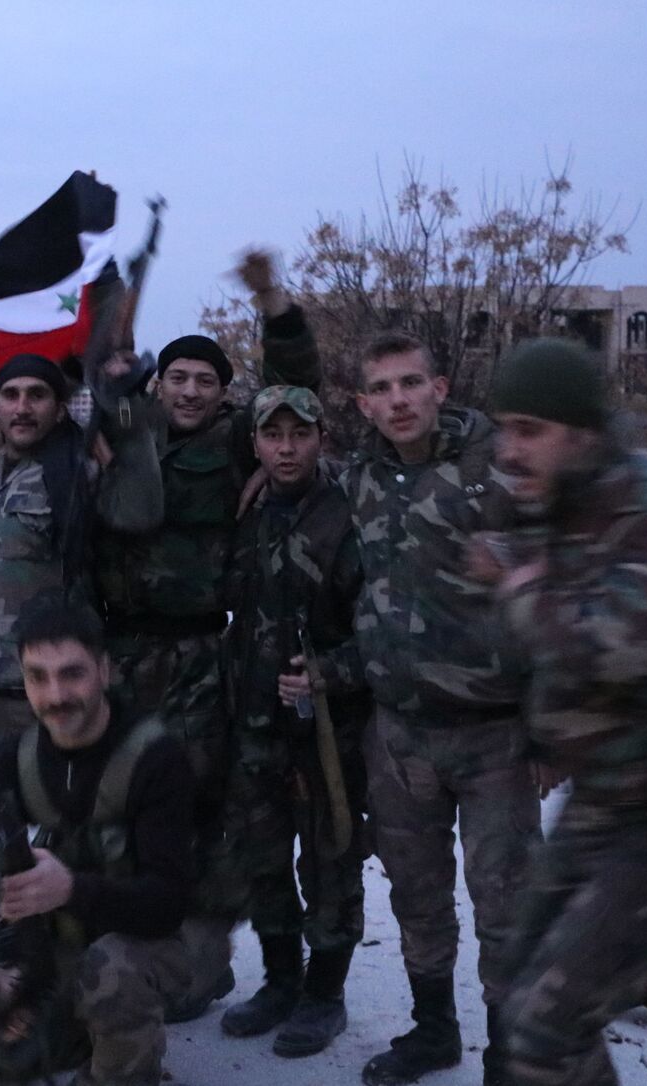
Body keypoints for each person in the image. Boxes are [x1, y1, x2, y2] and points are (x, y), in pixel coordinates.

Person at [87, 251, 323, 1020]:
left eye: (205, 381)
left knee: (195, 803)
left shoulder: (233, 441)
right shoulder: (127, 432)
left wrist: (274, 305)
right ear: (159, 384)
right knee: (117, 803)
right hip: (117, 653)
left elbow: (296, 385)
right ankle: (130, 947)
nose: (189, 391)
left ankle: (204, 958)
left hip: (194, 653)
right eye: (178, 378)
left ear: (224, 393)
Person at [478, 339, 647, 1085]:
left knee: (548, 1026)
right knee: (517, 983)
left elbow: (616, 649)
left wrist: (518, 584)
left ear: (582, 432)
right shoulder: (561, 502)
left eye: (529, 430)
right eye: (504, 428)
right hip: (603, 797)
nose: (509, 450)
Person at [342, 332, 535, 1086]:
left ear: (440, 388)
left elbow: (556, 593)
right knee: (417, 896)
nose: (398, 400)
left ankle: (512, 1055)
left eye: (410, 383)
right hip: (399, 736)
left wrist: (555, 727)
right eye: (381, 388)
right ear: (364, 404)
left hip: (494, 736)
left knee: (507, 903)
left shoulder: (500, 470)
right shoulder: (357, 478)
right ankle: (433, 1031)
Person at [0, 602, 206, 1086]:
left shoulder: (155, 758)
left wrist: (69, 889)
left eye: (72, 674)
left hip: (151, 946)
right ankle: (78, 1030)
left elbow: (170, 903)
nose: (56, 695)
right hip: (55, 957)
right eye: (38, 677)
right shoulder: (12, 760)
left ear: (104, 671)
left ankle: (124, 1062)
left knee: (112, 975)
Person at [212, 385, 371, 1057]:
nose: (286, 448)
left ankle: (325, 994)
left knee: (330, 859)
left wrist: (329, 671)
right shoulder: (244, 507)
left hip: (326, 730)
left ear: (320, 439)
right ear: (254, 443)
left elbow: (386, 630)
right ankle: (282, 980)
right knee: (262, 855)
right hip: (252, 719)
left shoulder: (350, 513)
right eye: (272, 435)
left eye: (299, 434)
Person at [0, 353, 162, 813]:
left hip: (57, 695)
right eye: (11, 395)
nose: (22, 407)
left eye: (37, 395)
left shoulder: (75, 468)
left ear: (59, 409)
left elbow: (141, 511)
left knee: (61, 829)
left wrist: (124, 404)